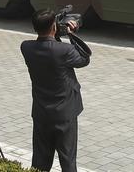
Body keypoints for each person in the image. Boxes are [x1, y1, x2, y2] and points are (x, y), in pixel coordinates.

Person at [21, 10, 90, 172]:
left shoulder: (26, 47)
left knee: (40, 162)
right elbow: (84, 59)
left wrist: (55, 33)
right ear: (54, 27)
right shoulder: (64, 51)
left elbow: (50, 46)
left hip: (41, 113)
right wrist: (70, 34)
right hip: (64, 115)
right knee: (67, 162)